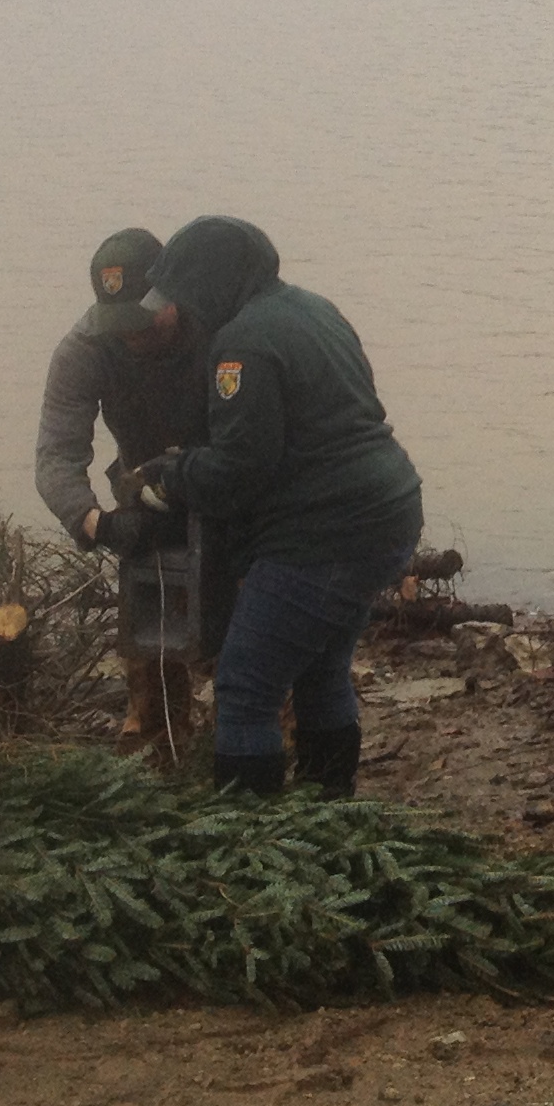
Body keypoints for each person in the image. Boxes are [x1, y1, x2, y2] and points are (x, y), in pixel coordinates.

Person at [131, 214, 422, 800]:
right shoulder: (315, 308)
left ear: (210, 284)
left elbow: (241, 468)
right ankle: (329, 816)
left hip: (325, 535)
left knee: (245, 687)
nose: (183, 312)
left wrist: (175, 473)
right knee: (319, 671)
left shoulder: (240, 344)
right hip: (388, 509)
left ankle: (256, 851)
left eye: (185, 296)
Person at [34, 225, 216, 761]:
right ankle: (158, 747)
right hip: (143, 487)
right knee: (151, 631)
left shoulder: (221, 326)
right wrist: (98, 524)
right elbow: (56, 456)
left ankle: (268, 756)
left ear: (171, 296)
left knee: (252, 630)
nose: (132, 336)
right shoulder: (84, 349)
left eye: (143, 320)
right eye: (120, 325)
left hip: (229, 479)